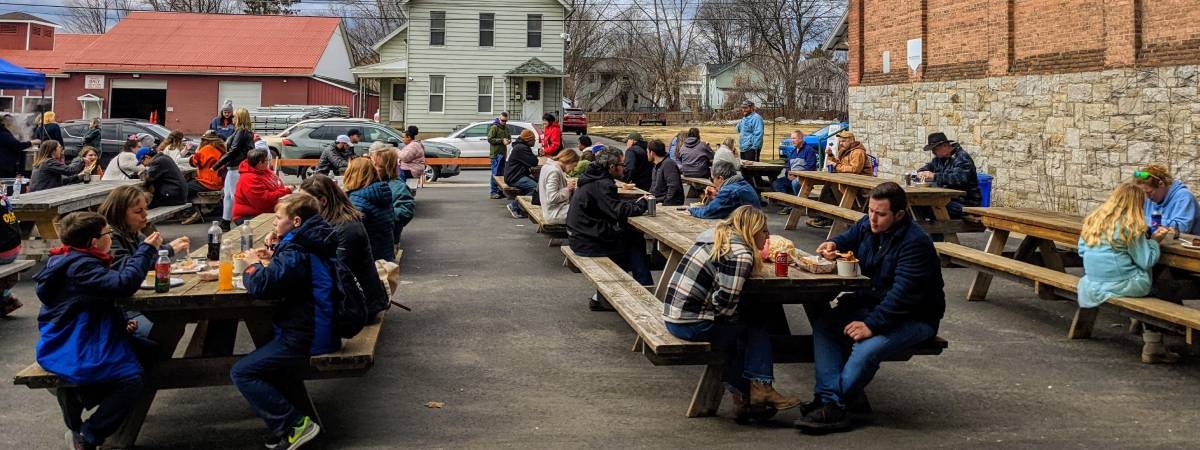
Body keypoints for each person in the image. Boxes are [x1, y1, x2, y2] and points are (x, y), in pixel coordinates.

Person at [797, 182, 944, 433]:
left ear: (899, 215)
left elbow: (903, 295)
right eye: (870, 211)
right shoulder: (869, 224)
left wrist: (871, 325)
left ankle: (831, 403)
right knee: (826, 325)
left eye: (881, 214)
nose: (873, 219)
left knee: (867, 348)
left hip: (914, 318)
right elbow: (850, 237)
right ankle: (832, 403)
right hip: (872, 305)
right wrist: (834, 244)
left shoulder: (915, 243)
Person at [34, 211, 161, 450]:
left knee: (151, 353)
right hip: (75, 338)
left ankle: (85, 396)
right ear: (95, 241)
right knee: (131, 380)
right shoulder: (80, 267)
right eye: (107, 233)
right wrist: (146, 250)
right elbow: (123, 285)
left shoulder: (73, 259)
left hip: (87, 327)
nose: (110, 237)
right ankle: (89, 434)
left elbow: (95, 298)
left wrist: (120, 320)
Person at [663, 205, 802, 417]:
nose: (768, 236)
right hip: (692, 323)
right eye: (764, 231)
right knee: (754, 325)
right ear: (752, 230)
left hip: (675, 315)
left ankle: (745, 398)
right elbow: (725, 306)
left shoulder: (716, 235)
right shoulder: (740, 255)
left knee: (745, 323)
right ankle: (760, 388)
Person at [233, 193, 335, 450]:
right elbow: (290, 275)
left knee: (242, 372)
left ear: (296, 221)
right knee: (268, 361)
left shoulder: (298, 248)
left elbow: (264, 286)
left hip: (306, 333)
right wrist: (274, 252)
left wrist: (253, 266)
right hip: (316, 326)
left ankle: (294, 424)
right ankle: (295, 423)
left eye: (278, 218)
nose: (274, 223)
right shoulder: (309, 240)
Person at [1076, 183, 1175, 364]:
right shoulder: (1130, 226)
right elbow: (1146, 260)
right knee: (1164, 289)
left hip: (1091, 283)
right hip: (1122, 283)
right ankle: (1155, 343)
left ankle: (1146, 329)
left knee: (1161, 286)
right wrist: (1154, 241)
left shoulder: (1093, 221)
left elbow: (1082, 251)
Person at [567, 146, 652, 308]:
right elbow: (618, 210)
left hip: (579, 234)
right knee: (634, 242)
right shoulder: (603, 183)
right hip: (587, 240)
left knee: (629, 238)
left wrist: (633, 204)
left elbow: (610, 205)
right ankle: (645, 291)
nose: (624, 168)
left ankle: (604, 297)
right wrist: (643, 203)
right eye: (622, 165)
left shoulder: (592, 177)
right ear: (612, 167)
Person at [299, 175, 390, 318]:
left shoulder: (347, 229)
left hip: (359, 304)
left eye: (305, 201)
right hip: (352, 295)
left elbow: (336, 272)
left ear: (323, 201)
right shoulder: (328, 219)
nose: (300, 205)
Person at [99, 185, 189, 268]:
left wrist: (170, 247)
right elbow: (127, 267)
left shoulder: (133, 231)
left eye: (145, 209)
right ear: (119, 213)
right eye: (138, 211)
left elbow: (150, 256)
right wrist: (151, 248)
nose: (145, 214)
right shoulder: (107, 236)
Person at [806, 131, 873, 229]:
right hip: (848, 181)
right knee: (829, 186)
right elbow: (840, 164)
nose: (841, 143)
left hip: (861, 185)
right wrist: (831, 156)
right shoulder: (844, 151)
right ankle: (824, 216)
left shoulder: (858, 152)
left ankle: (828, 217)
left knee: (832, 187)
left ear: (851, 140)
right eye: (840, 141)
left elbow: (854, 170)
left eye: (844, 141)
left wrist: (836, 166)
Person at [915, 132, 981, 218]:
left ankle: (937, 231)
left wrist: (934, 176)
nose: (934, 153)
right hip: (947, 199)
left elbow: (959, 179)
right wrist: (921, 172)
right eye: (933, 150)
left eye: (935, 149)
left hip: (965, 203)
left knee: (932, 207)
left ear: (945, 146)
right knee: (917, 206)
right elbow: (927, 167)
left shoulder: (962, 158)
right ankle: (931, 231)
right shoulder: (939, 159)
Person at [343, 158, 397, 262]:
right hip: (384, 252)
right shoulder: (382, 192)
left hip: (368, 258)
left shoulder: (357, 199)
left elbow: (352, 234)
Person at [215, 107, 255, 230]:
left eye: (235, 116)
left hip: (236, 167)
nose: (233, 118)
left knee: (232, 195)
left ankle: (236, 220)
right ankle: (226, 220)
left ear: (240, 118)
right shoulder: (242, 131)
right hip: (235, 167)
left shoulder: (241, 132)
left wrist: (217, 165)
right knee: (228, 195)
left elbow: (233, 150)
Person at [1133, 164, 1200, 235]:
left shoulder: (1184, 196)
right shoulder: (1149, 198)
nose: (1147, 197)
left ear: (1161, 184)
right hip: (1158, 243)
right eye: (1144, 193)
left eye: (1149, 192)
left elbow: (1182, 227)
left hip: (1182, 244)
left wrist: (1142, 220)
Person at [370, 143, 415, 243]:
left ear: (386, 167)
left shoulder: (397, 186)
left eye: (376, 165)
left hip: (387, 238)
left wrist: (379, 214)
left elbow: (405, 212)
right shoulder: (373, 181)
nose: (372, 167)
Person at [689, 160, 760, 220]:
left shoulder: (729, 191)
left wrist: (691, 209)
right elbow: (724, 206)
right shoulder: (742, 184)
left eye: (712, 179)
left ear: (720, 178)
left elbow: (707, 213)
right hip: (751, 225)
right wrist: (715, 196)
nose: (712, 182)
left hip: (746, 231)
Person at [774, 130, 817, 215]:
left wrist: (797, 175)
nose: (792, 140)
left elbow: (811, 167)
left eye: (794, 138)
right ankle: (788, 205)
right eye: (791, 138)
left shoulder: (809, 150)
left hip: (804, 178)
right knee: (776, 183)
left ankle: (800, 206)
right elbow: (788, 166)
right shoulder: (793, 152)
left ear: (801, 139)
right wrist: (788, 174)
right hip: (792, 177)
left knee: (795, 183)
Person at [504, 129, 540, 219]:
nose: (535, 142)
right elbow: (533, 162)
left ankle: (523, 207)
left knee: (538, 184)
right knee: (536, 189)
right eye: (533, 140)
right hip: (515, 177)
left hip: (515, 175)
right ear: (528, 140)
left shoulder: (519, 146)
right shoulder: (521, 148)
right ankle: (514, 206)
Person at [538, 148, 578, 225]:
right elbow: (552, 198)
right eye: (574, 165)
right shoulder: (554, 171)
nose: (573, 169)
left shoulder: (547, 167)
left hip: (550, 210)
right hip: (555, 213)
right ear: (569, 161)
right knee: (587, 212)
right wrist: (568, 189)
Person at [0, 189, 21, 317]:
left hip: (3, 253)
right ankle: (6, 295)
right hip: (14, 249)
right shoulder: (4, 199)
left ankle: (6, 296)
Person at [648, 140, 684, 206]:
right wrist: (649, 196)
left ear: (652, 153)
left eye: (647, 151)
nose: (646, 154)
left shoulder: (669, 164)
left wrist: (664, 203)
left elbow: (673, 187)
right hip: (656, 200)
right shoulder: (656, 165)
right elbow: (654, 187)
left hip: (666, 203)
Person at [487, 112, 511, 199]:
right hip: (496, 154)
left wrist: (508, 141)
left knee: (501, 174)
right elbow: (490, 139)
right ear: (499, 119)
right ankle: (493, 192)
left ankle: (500, 191)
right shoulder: (494, 127)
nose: (504, 122)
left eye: (506, 121)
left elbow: (509, 137)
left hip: (503, 153)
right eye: (503, 120)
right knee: (495, 174)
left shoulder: (506, 128)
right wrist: (501, 140)